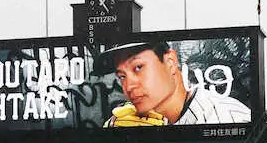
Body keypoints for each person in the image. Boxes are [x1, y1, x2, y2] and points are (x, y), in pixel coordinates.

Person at [98, 40, 251, 127]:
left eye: (138, 67)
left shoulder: (229, 118)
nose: (129, 86)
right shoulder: (123, 118)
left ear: (170, 62)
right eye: (122, 76)